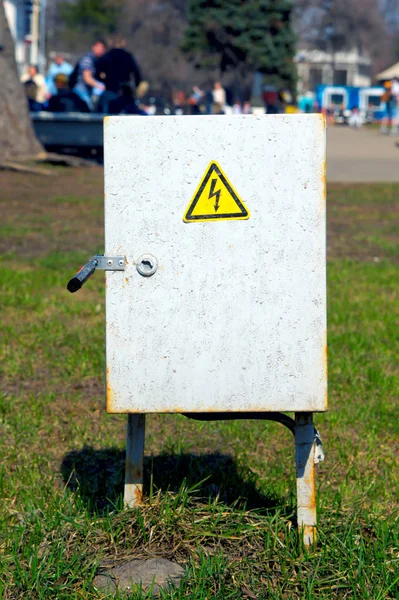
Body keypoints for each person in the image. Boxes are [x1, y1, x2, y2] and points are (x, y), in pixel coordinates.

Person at [73, 39, 107, 111]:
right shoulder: (87, 60)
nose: (100, 50)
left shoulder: (97, 61)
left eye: (102, 49)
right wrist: (100, 86)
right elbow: (87, 78)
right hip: (81, 92)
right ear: (93, 47)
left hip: (88, 92)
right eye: (98, 48)